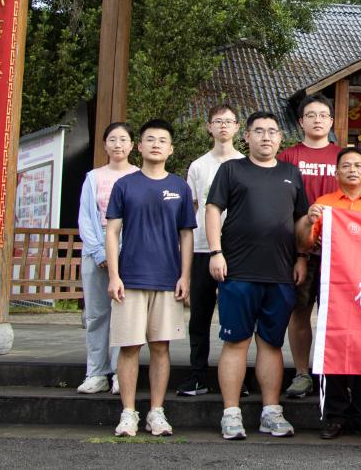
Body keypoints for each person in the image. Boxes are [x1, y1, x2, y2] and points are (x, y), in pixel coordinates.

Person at [206, 111, 309, 440]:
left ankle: (271, 411)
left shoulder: (291, 173)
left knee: (271, 344)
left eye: (272, 132)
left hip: (280, 273)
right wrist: (215, 252)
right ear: (246, 136)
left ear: (281, 138)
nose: (266, 137)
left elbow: (300, 220)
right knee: (236, 341)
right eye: (259, 131)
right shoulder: (231, 170)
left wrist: (302, 256)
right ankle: (231, 413)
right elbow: (213, 209)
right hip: (238, 271)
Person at [104, 119, 195, 438]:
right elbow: (112, 232)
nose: (156, 144)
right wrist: (114, 275)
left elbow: (186, 235)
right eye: (150, 139)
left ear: (171, 149)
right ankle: (128, 412)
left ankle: (157, 411)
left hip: (167, 279)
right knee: (129, 347)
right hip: (129, 279)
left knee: (160, 347)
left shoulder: (180, 187)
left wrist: (185, 275)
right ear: (139, 147)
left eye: (162, 140)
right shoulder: (124, 185)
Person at [297, 146, 361, 440]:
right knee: (333, 345)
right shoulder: (323, 204)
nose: (352, 170)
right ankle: (334, 415)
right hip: (332, 283)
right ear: (336, 173)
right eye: (346, 165)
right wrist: (309, 221)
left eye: (358, 165)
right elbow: (305, 243)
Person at [177, 104, 244, 397]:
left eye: (229, 121)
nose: (223, 126)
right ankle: (198, 375)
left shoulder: (245, 163)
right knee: (199, 316)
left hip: (237, 249)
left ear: (238, 127)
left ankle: (239, 378)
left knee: (238, 316)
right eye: (218, 121)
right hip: (203, 247)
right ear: (209, 127)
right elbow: (192, 208)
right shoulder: (198, 166)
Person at [278, 94, 341, 400]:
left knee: (336, 316)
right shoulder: (288, 157)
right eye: (311, 115)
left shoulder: (343, 156)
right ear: (301, 121)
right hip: (299, 249)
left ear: (331, 121)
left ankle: (333, 373)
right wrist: (298, 253)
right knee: (300, 312)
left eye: (323, 115)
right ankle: (302, 373)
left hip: (338, 251)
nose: (317, 120)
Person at [75, 122, 138, 396]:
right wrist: (100, 251)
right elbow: (85, 217)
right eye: (112, 139)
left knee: (124, 314)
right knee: (96, 314)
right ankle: (96, 372)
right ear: (104, 145)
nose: (118, 144)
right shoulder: (93, 177)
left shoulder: (139, 176)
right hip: (96, 246)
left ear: (132, 145)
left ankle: (119, 372)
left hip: (130, 246)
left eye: (123, 139)